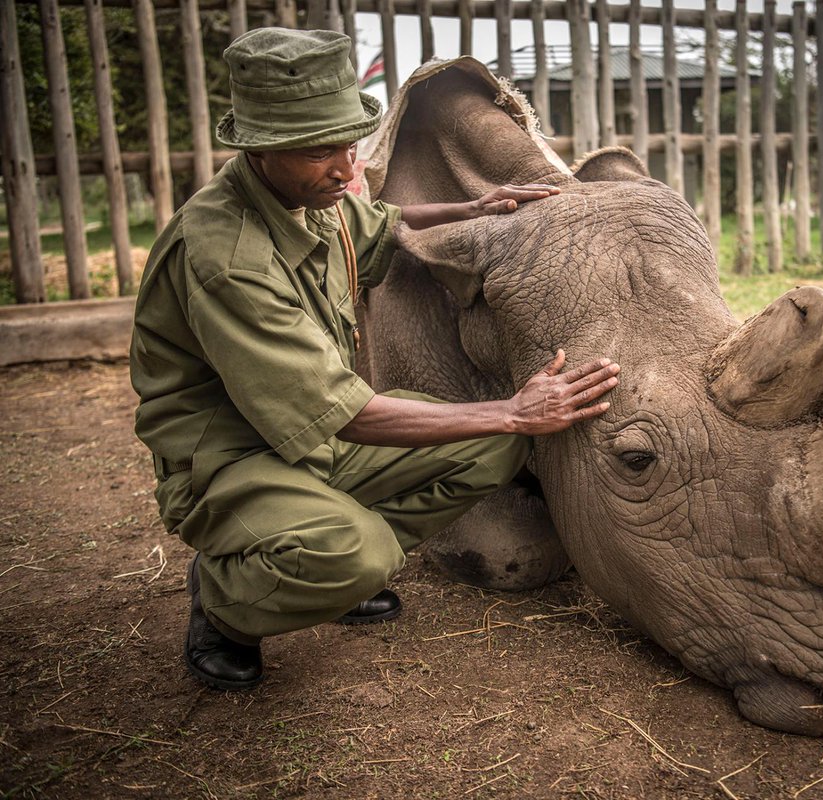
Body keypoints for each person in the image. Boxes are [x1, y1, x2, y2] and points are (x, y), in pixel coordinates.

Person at [128, 28, 619, 691]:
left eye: (348, 146)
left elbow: (381, 223)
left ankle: (324, 556)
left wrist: (473, 206)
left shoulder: (304, 197)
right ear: (260, 150)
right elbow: (347, 416)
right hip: (230, 457)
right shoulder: (228, 261)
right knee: (365, 550)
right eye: (319, 153)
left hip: (308, 440)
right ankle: (227, 598)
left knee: (495, 451)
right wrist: (511, 410)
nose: (344, 169)